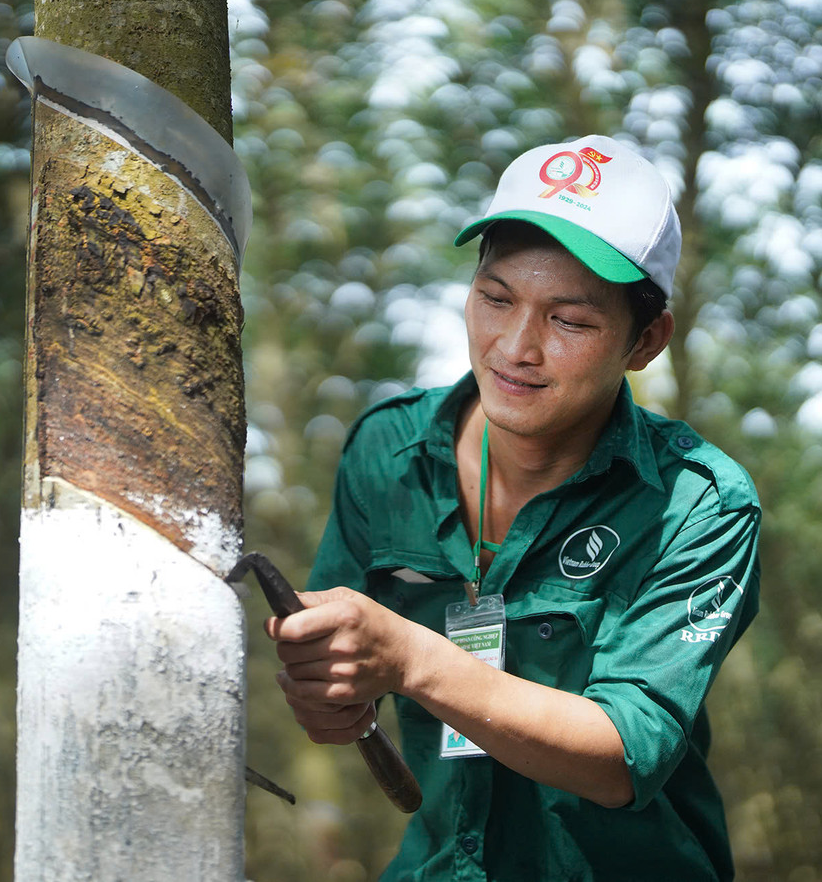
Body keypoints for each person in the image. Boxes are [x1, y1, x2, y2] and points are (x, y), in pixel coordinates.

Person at [264, 135, 762, 880]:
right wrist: (329, 691)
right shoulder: (389, 453)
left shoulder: (699, 504)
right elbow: (336, 685)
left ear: (646, 340)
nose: (515, 347)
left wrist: (411, 657)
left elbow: (626, 755)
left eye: (569, 321)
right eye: (495, 299)